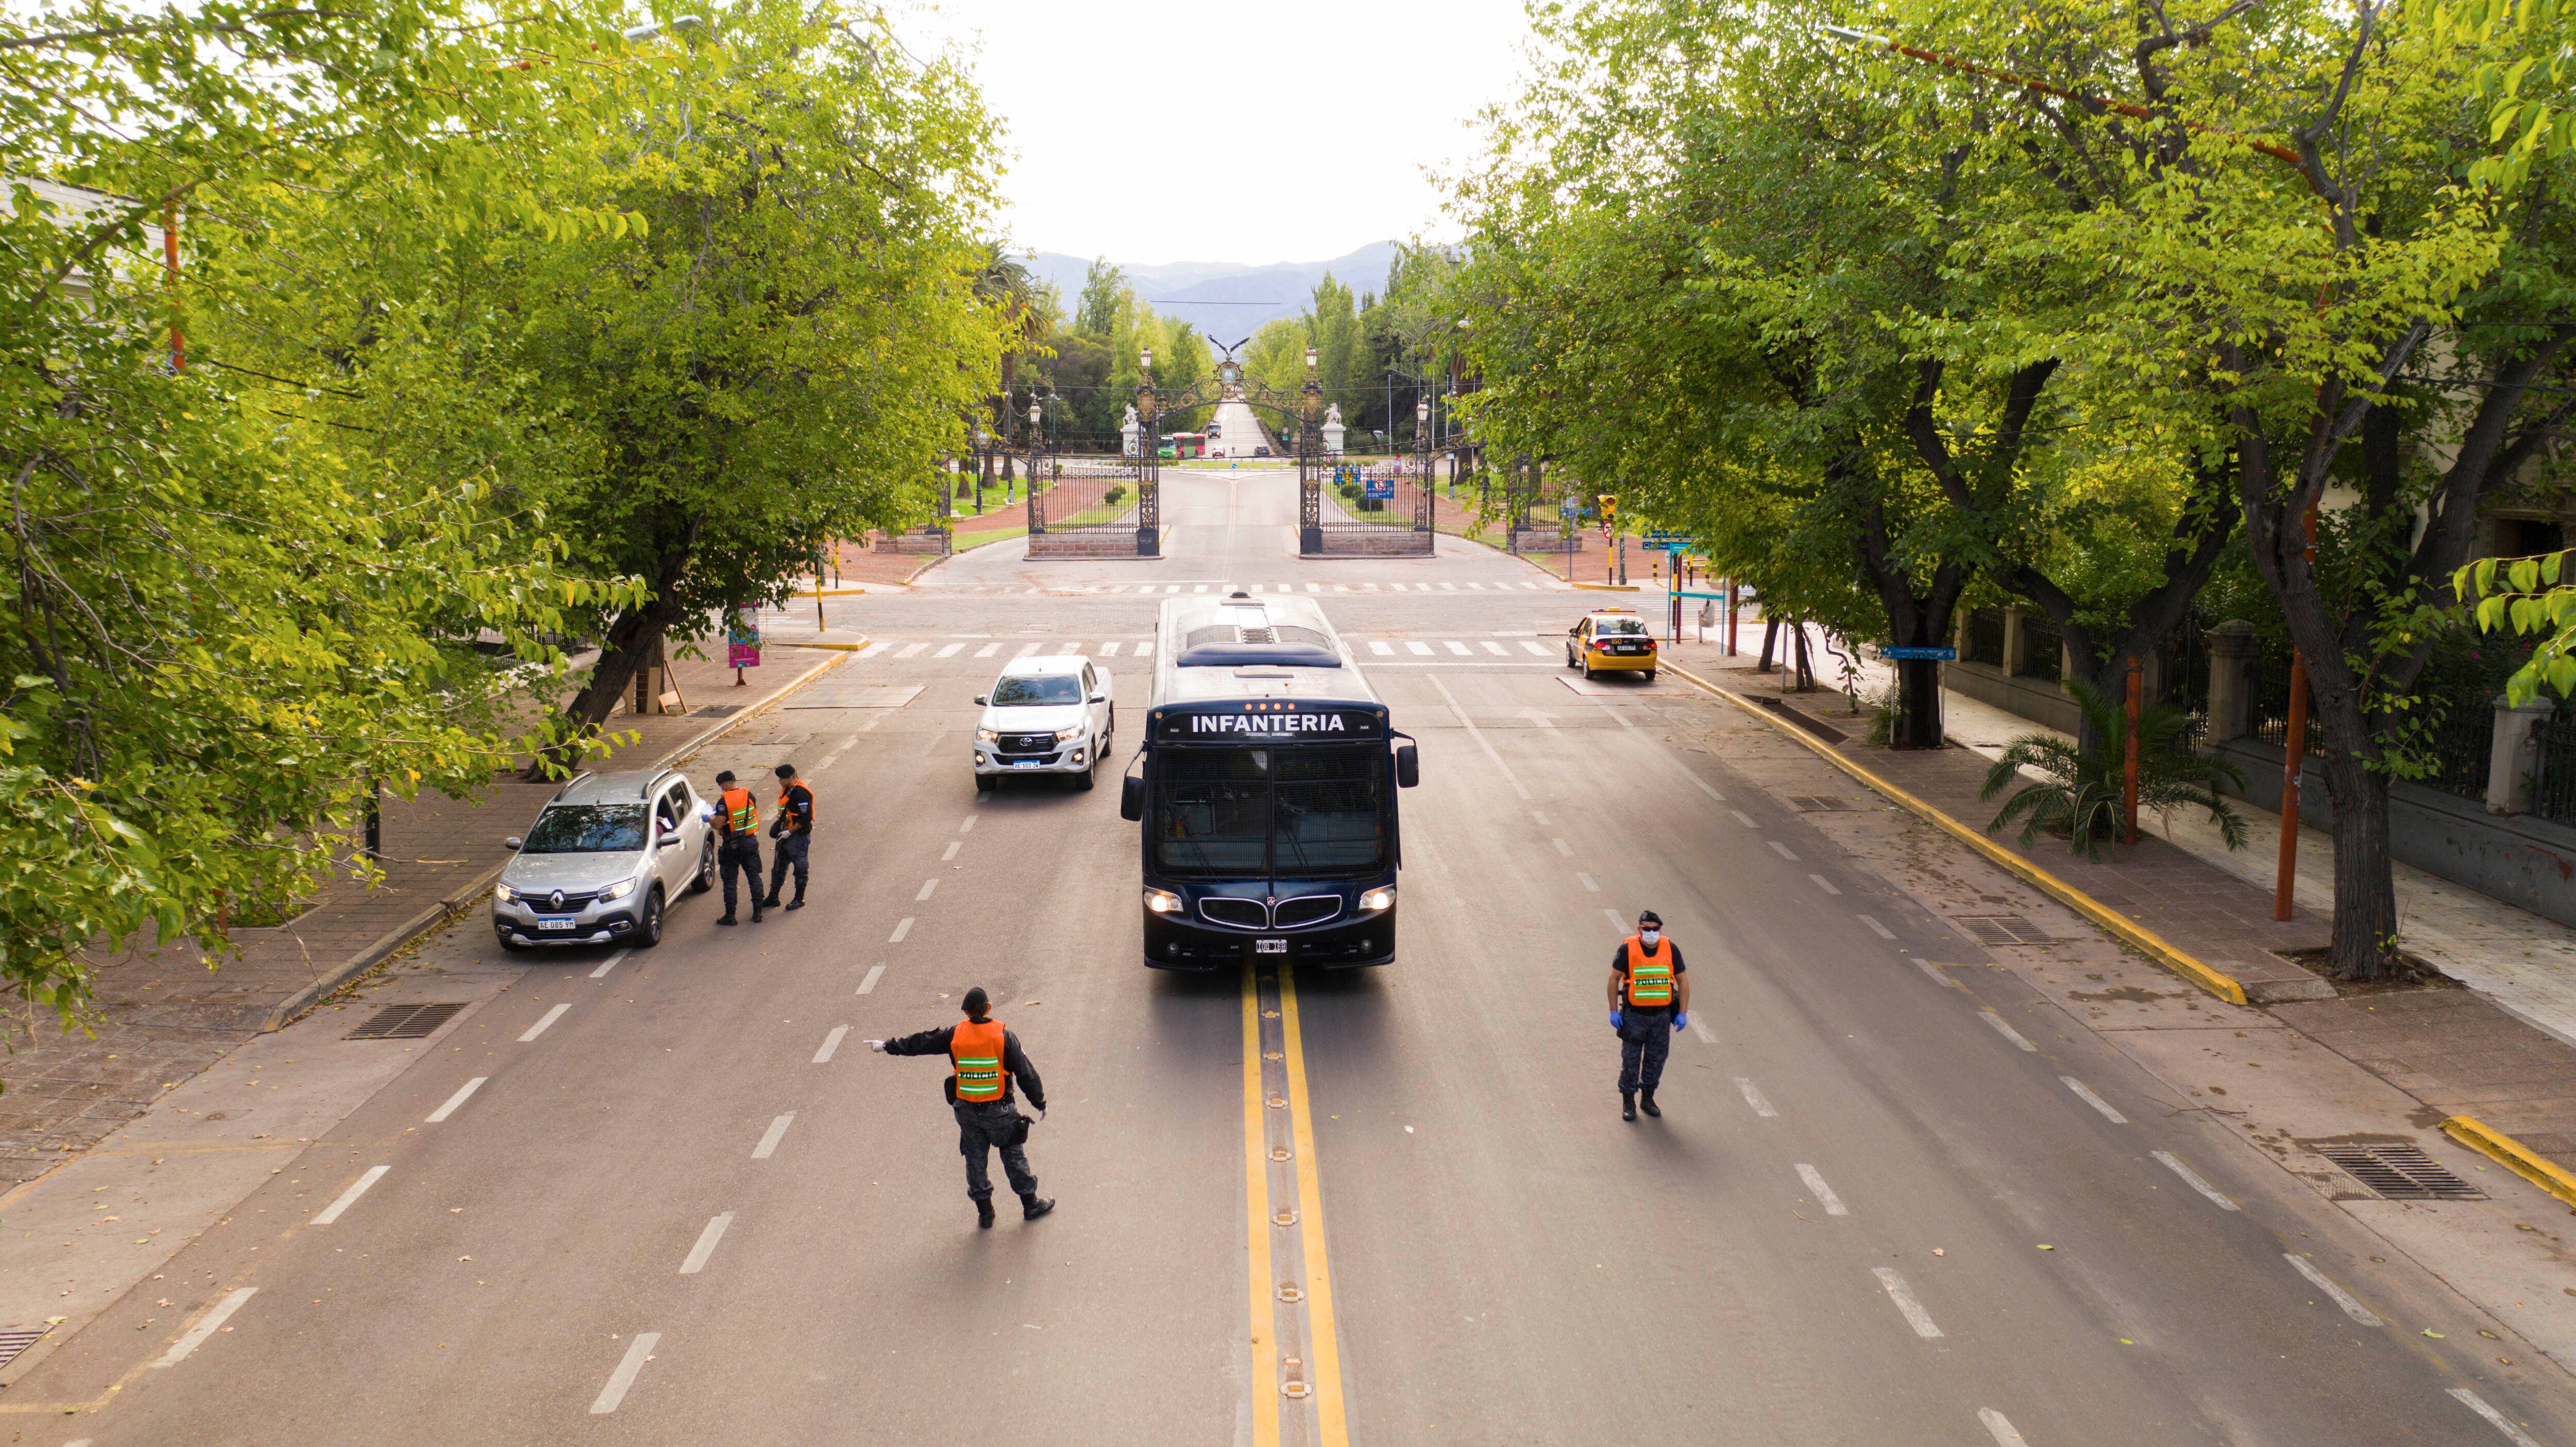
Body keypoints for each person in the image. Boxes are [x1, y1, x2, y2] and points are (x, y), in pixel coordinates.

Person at [869, 988, 1055, 1229]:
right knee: (1012, 1156)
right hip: (1000, 1112)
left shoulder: (956, 1034)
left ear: (967, 1012)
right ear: (989, 1008)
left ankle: (986, 1215)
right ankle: (1031, 1205)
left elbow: (922, 1043)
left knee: (975, 1161)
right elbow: (1025, 1073)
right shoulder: (1003, 1035)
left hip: (967, 1113)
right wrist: (1039, 1102)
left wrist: (887, 1046)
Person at [1607, 909, 1690, 1121]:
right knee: (1631, 1059)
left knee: (1656, 1059)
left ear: (1660, 929)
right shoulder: (1628, 949)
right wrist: (1613, 1011)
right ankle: (1628, 1102)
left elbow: (1682, 980)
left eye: (1655, 929)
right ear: (1639, 929)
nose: (1651, 933)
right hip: (1635, 1016)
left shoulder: (1670, 949)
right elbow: (1613, 979)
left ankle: (1648, 1098)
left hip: (1661, 1017)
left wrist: (1682, 1013)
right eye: (1647, 929)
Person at [711, 769, 764, 926]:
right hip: (750, 841)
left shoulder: (724, 802)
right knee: (754, 877)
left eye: (721, 785)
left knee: (730, 882)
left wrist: (709, 818)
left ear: (727, 783)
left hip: (732, 845)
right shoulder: (749, 795)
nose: (722, 788)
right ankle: (758, 913)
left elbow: (718, 824)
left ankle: (730, 916)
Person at [762, 762, 815, 912]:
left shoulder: (800, 794)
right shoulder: (788, 790)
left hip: (798, 837)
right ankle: (774, 897)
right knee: (778, 867)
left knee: (800, 868)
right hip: (785, 835)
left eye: (782, 778)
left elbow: (805, 818)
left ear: (792, 777)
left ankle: (799, 899)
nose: (780, 781)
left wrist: (790, 832)